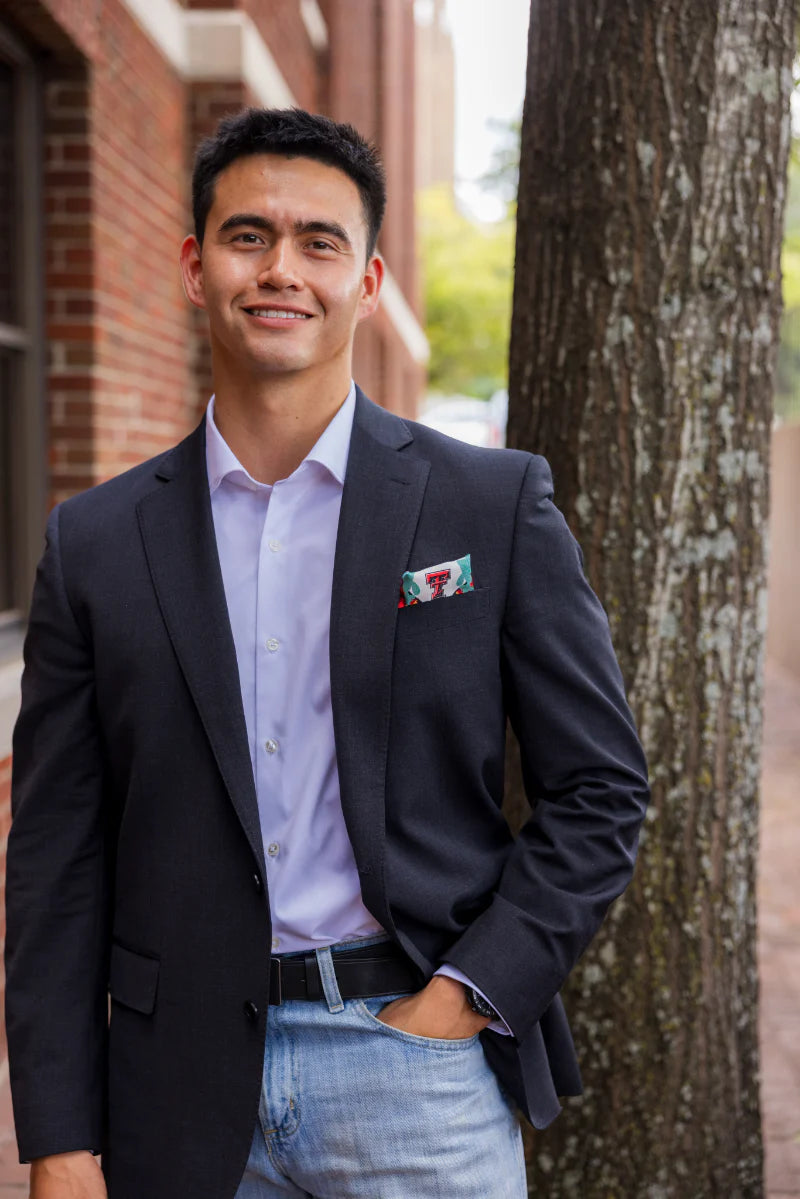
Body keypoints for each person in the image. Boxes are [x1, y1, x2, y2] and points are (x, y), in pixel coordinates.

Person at [5, 107, 650, 1199]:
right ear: (194, 267)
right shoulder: (94, 544)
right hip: (175, 1089)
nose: (281, 269)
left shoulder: (489, 504)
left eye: (319, 241)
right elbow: (55, 861)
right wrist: (58, 1138)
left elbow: (600, 789)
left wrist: (464, 995)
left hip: (414, 1074)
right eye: (247, 235)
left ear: (367, 281)